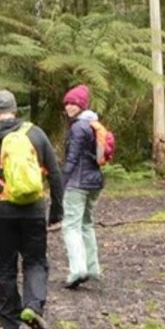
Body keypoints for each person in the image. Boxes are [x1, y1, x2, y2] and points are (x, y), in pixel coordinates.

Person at [0, 90, 64, 329]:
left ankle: (9, 324)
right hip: (33, 210)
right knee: (35, 262)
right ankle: (33, 306)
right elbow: (54, 173)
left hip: (2, 213)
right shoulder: (35, 134)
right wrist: (56, 210)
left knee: (6, 268)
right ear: (14, 110)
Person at [59, 83, 105, 289]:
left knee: (71, 226)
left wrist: (62, 181)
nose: (69, 106)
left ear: (81, 105)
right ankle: (92, 267)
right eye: (67, 103)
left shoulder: (78, 127)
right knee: (86, 223)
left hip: (77, 182)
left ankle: (78, 270)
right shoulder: (93, 124)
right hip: (94, 182)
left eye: (73, 103)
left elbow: (72, 158)